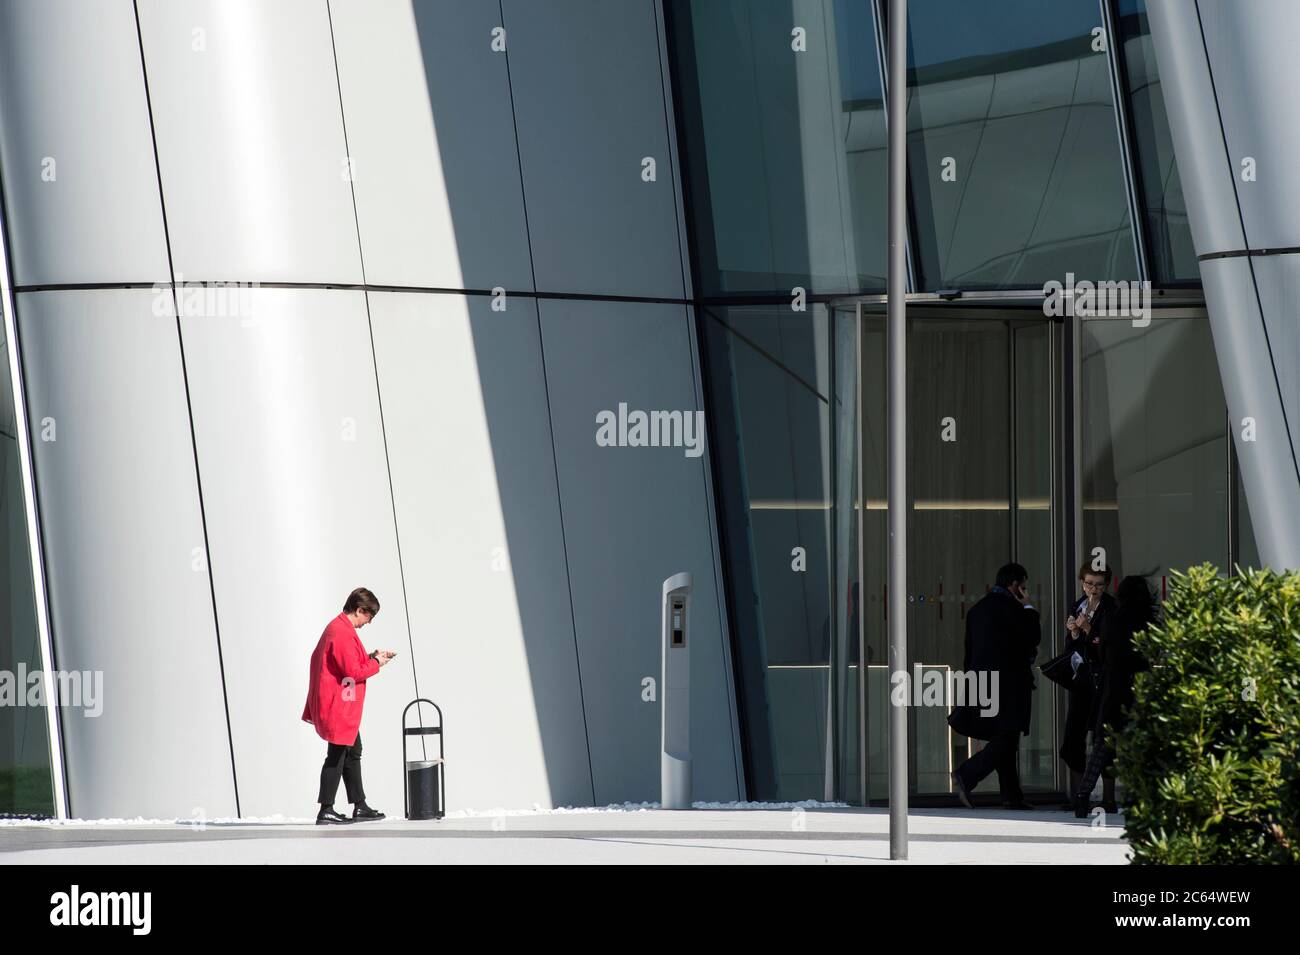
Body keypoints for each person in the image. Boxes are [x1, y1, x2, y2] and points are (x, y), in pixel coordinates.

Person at [302, 587, 397, 825]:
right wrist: (376, 663)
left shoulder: (339, 628)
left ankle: (359, 805)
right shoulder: (341, 632)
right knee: (337, 756)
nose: (369, 622)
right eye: (369, 616)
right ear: (359, 610)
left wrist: (371, 656)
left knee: (352, 752)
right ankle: (326, 809)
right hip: (339, 706)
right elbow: (352, 671)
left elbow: (346, 663)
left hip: (341, 705)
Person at [951, 562, 1042, 810]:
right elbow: (1033, 637)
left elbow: (969, 651)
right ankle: (967, 774)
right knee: (1008, 736)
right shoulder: (1015, 608)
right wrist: (1030, 607)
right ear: (1014, 585)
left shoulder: (977, 610)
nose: (1025, 591)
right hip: (1010, 683)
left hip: (983, 681)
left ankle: (1012, 796)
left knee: (1003, 735)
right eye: (1023, 587)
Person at [1073, 575, 1155, 817]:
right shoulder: (1149, 623)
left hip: (1112, 687)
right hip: (1138, 686)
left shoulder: (1112, 620)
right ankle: (1142, 798)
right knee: (1142, 745)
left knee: (1102, 746)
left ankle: (1082, 795)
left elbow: (1102, 652)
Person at [1059, 562, 1116, 806]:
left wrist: (1088, 628)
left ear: (1106, 586)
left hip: (1102, 678)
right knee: (1074, 735)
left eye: (1098, 585)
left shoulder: (1111, 607)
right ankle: (1078, 794)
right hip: (1081, 678)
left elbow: (1109, 643)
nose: (1093, 589)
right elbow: (1071, 646)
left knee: (1103, 737)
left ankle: (1108, 797)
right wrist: (1073, 632)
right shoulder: (1077, 604)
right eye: (1089, 583)